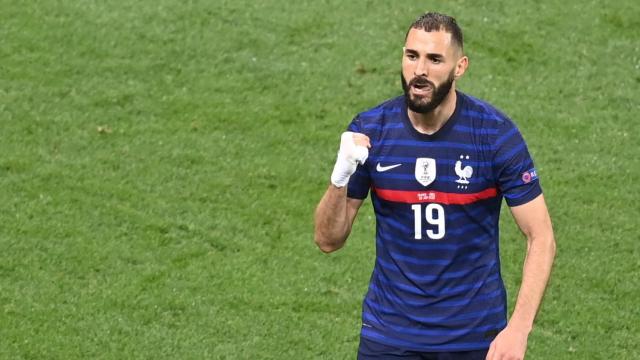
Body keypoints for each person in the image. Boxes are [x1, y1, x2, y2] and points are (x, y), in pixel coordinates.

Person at [314, 12, 556, 360]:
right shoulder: (372, 131)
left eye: (434, 59)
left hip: (474, 339)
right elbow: (327, 240)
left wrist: (518, 329)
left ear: (460, 67)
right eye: (412, 56)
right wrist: (339, 179)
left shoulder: (494, 136)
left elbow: (541, 237)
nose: (419, 70)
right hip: (390, 337)